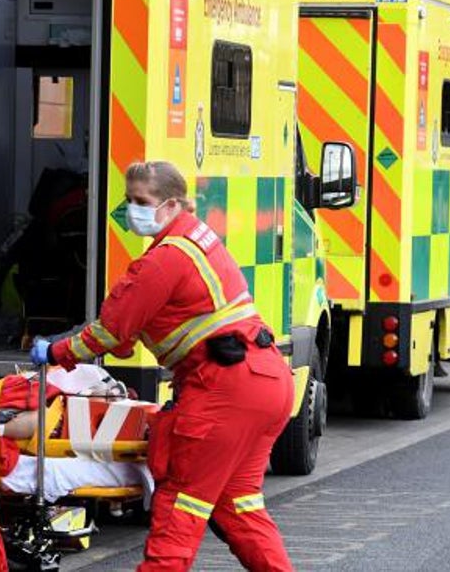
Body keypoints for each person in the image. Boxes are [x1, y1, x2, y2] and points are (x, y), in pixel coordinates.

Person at [31, 161, 295, 572]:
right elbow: (133, 333)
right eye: (129, 199)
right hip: (267, 382)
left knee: (179, 505)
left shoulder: (164, 260)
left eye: (141, 201)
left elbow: (110, 333)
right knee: (238, 505)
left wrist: (54, 353)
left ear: (171, 204)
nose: (131, 209)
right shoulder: (197, 240)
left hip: (223, 389)